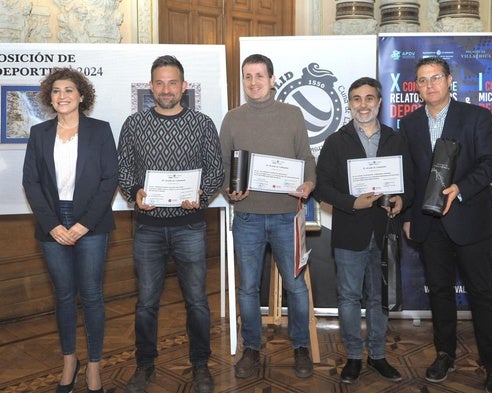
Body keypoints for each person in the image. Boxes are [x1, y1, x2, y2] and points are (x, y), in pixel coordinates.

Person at [399, 57, 492, 393]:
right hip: (429, 225)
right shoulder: (411, 124)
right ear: (415, 87)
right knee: (440, 294)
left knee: (481, 295)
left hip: (470, 221)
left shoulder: (476, 117)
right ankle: (444, 354)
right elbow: (410, 175)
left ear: (449, 81)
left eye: (435, 78)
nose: (429, 85)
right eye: (422, 80)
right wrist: (406, 216)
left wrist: (460, 189)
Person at [117, 55, 223, 393]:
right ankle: (145, 366)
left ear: (184, 86)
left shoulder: (203, 124)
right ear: (151, 87)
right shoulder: (133, 125)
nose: (166, 89)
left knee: (197, 302)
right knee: (146, 302)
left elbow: (216, 170)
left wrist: (202, 195)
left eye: (172, 82)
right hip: (147, 227)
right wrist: (135, 192)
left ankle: (200, 364)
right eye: (159, 83)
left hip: (190, 226)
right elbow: (124, 170)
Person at [220, 53, 316, 379]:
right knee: (247, 289)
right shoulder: (232, 118)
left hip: (287, 216)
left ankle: (301, 346)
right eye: (248, 76)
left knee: (296, 287)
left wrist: (309, 183)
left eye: (260, 76)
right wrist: (228, 190)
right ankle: (251, 347)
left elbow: (306, 158)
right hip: (246, 216)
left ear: (272, 80)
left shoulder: (292, 115)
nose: (253, 82)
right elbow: (222, 167)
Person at [22, 67, 118, 393]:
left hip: (91, 221)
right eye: (56, 91)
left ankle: (93, 366)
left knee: (91, 297)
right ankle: (69, 361)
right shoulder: (39, 133)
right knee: (63, 297)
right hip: (52, 222)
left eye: (68, 90)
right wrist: (52, 225)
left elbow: (109, 180)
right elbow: (31, 183)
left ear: (81, 96)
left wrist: (82, 224)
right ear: (50, 98)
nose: (62, 96)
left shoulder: (100, 131)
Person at [315, 77, 409, 384]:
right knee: (349, 297)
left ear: (379, 102)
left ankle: (378, 356)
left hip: (386, 231)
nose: (363, 104)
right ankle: (354, 357)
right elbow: (322, 187)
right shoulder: (335, 141)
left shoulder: (397, 139)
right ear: (350, 104)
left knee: (380, 297)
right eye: (357, 99)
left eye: (369, 98)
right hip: (349, 231)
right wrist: (351, 203)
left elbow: (412, 183)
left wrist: (400, 201)